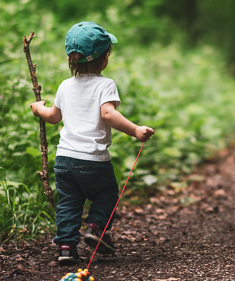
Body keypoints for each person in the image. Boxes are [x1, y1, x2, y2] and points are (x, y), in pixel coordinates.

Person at [30, 21, 155, 266]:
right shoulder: (105, 85)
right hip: (94, 161)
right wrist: (136, 130)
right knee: (107, 193)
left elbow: (54, 118)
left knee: (68, 203)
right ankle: (96, 229)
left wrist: (39, 109)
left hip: (65, 161)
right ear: (104, 58)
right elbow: (108, 114)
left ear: (71, 60)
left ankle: (66, 247)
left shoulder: (65, 86)